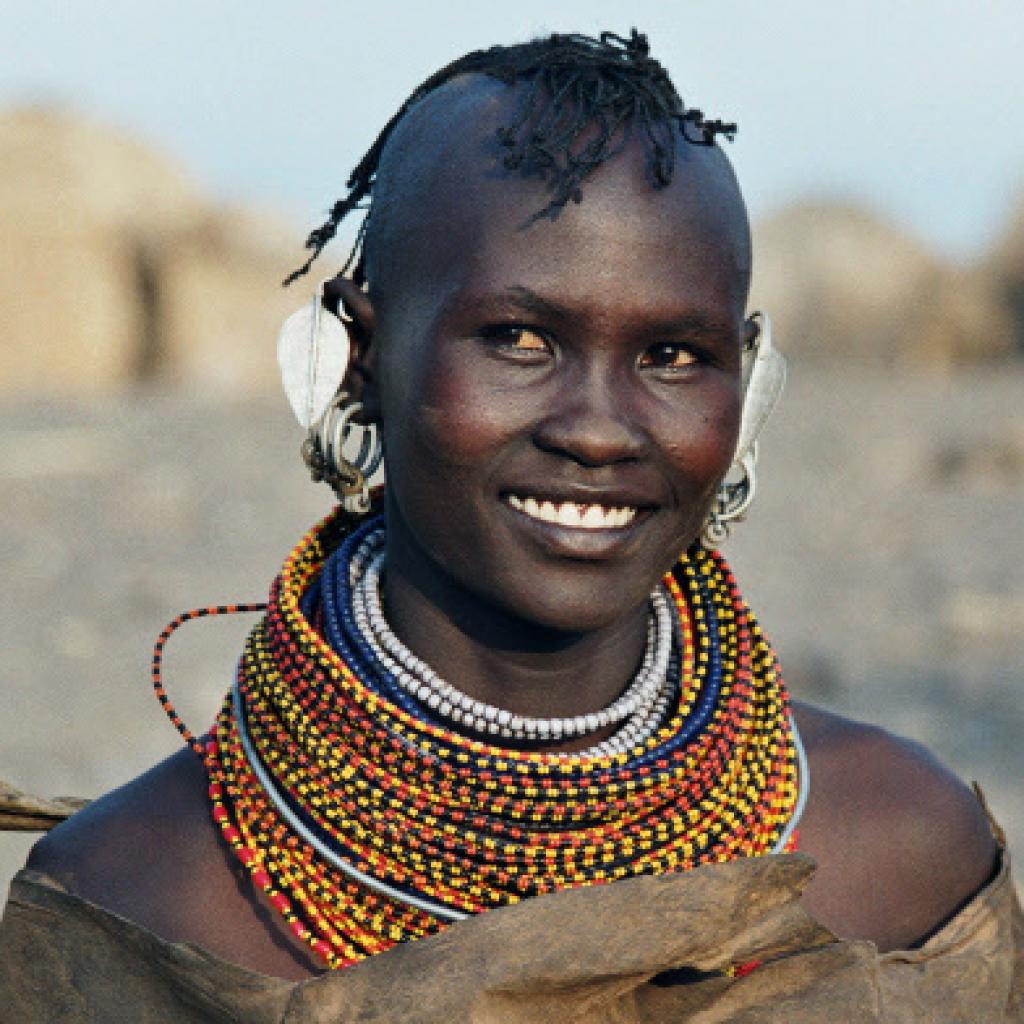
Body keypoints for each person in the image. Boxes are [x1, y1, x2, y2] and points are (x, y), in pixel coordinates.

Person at [2, 30, 1020, 1021]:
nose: (596, 430)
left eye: (672, 355)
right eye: (518, 338)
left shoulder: (899, 855)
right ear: (359, 354)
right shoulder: (136, 896)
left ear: (745, 388)